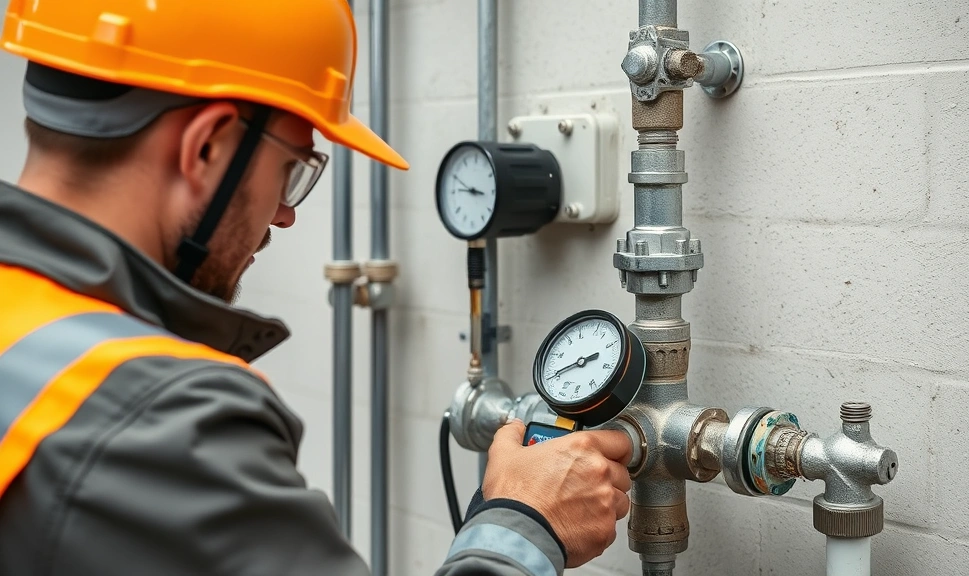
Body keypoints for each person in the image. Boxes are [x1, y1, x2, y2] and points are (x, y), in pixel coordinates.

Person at [0, 1, 634, 575]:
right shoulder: (166, 420)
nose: (285, 214)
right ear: (207, 147)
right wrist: (525, 524)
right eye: (290, 169)